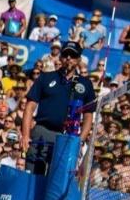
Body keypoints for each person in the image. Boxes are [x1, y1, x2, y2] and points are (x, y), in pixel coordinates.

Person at [20, 41, 95, 174]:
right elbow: (29, 107)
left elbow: (88, 116)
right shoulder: (46, 77)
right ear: (60, 57)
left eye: (72, 56)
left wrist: (79, 141)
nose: (68, 58)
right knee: (32, 174)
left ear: (78, 59)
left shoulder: (86, 84)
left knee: (57, 180)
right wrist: (25, 135)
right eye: (65, 54)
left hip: (67, 137)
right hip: (42, 132)